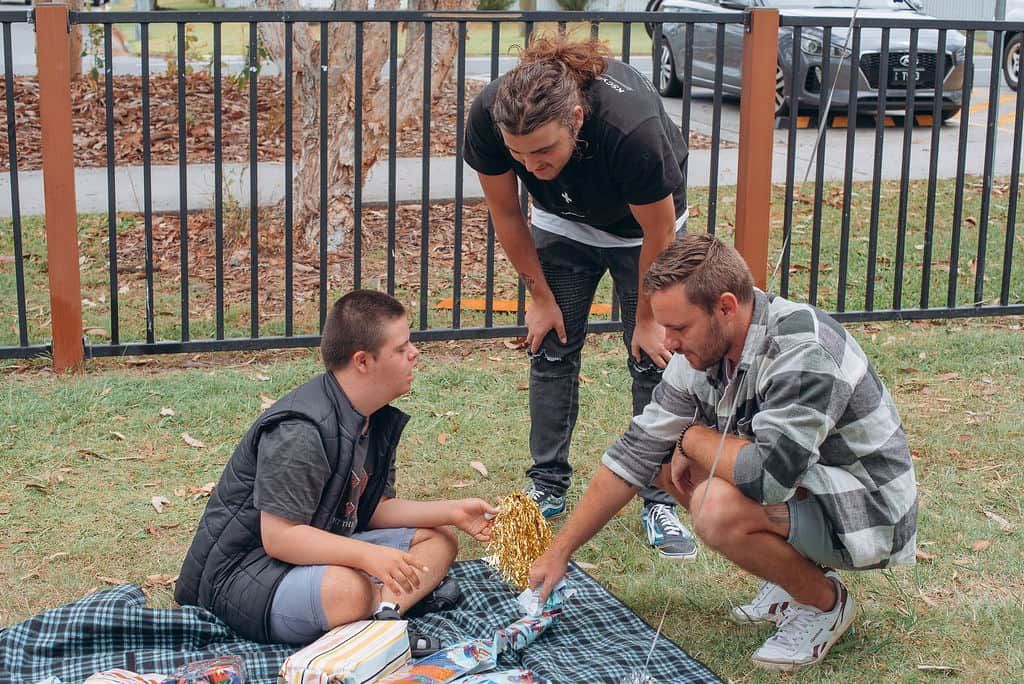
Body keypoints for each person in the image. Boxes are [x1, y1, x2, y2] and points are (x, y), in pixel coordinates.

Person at [528, 234, 918, 671]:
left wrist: (689, 439)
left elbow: (768, 480)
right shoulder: (703, 347)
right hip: (811, 488)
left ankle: (824, 604)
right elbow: (633, 454)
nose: (668, 343)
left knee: (715, 506)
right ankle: (794, 580)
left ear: (726, 307)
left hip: (870, 510)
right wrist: (559, 552)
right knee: (660, 465)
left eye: (678, 328)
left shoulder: (800, 350)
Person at [464, 35, 696, 559]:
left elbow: (659, 232)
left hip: (641, 230)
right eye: (519, 154)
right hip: (562, 225)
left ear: (575, 118)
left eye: (544, 150)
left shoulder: (630, 129)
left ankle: (657, 496)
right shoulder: (490, 116)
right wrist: (540, 297)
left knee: (653, 357)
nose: (532, 165)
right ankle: (546, 483)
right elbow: (506, 214)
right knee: (551, 344)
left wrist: (646, 318)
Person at [175, 290, 497, 646]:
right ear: (363, 361)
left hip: (318, 548)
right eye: (401, 349)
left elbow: (372, 509)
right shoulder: (300, 432)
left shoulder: (371, 415)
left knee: (439, 537)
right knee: (348, 589)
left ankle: (384, 617)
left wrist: (453, 511)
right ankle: (382, 610)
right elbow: (279, 537)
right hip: (243, 575)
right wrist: (367, 556)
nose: (415, 354)